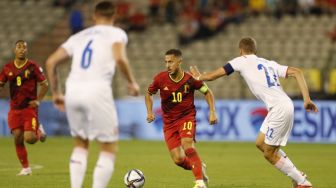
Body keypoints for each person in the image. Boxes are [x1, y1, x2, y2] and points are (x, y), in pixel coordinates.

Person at [189, 37, 318, 188]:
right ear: (255, 50)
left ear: (241, 50)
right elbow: (297, 72)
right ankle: (299, 177)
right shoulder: (269, 63)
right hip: (282, 106)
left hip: (279, 109)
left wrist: (198, 76)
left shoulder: (241, 60)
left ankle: (302, 182)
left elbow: (212, 76)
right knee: (260, 143)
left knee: (269, 153)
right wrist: (307, 99)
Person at [45, 1, 140, 188]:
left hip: (72, 90)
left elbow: (50, 62)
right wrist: (131, 82)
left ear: (94, 16)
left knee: (80, 145)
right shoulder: (117, 33)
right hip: (97, 91)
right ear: (114, 16)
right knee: (108, 148)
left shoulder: (78, 36)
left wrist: (56, 93)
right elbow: (120, 57)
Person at [145, 49, 217, 188]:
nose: (167, 65)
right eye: (166, 62)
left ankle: (199, 182)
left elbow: (207, 92)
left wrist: (212, 111)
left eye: (171, 62)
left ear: (179, 62)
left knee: (187, 144)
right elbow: (148, 94)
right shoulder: (160, 79)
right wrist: (149, 112)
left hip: (186, 118)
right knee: (178, 159)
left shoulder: (190, 79)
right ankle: (199, 167)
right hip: (169, 123)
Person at [0, 40, 48, 176]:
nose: (21, 50)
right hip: (14, 109)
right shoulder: (7, 68)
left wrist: (38, 100)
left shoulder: (33, 66)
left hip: (29, 108)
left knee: (30, 139)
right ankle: (26, 168)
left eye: (24, 48)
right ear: (14, 50)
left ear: (26, 51)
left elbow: (45, 84)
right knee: (17, 138)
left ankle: (37, 129)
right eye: (19, 47)